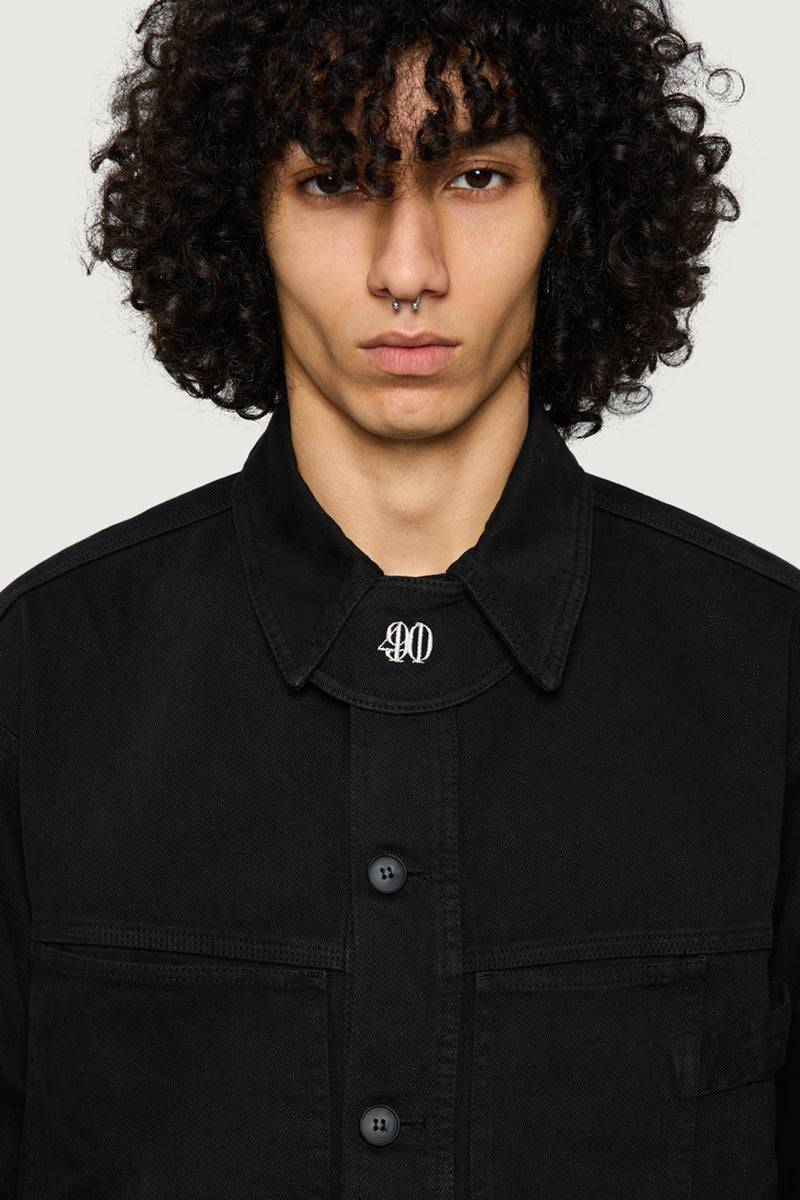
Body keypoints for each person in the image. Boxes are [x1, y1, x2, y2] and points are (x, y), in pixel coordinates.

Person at [1, 0, 797, 1196]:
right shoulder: (44, 679)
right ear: (243, 218)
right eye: (334, 181)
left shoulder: (766, 676)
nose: (407, 270)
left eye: (476, 178)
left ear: (571, 211)